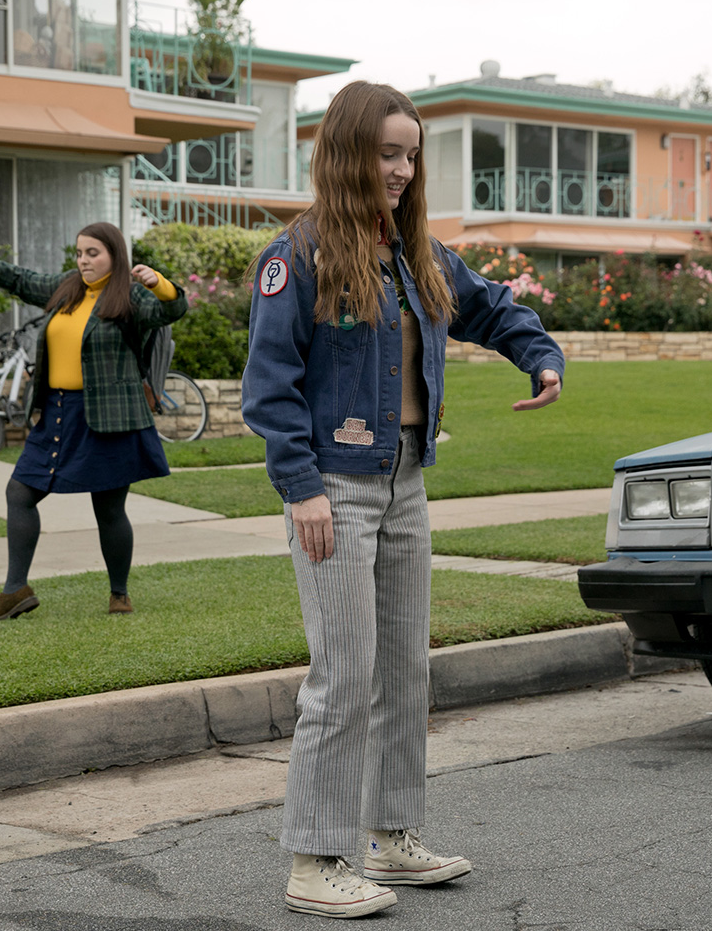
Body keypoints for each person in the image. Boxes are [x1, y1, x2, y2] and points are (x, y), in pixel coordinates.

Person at [241, 81, 564, 919]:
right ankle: (315, 860)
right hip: (335, 494)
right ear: (349, 153)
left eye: (411, 154)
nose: (403, 168)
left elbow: (489, 307)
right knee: (343, 676)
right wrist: (301, 490)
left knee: (402, 671)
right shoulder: (299, 255)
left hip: (406, 481)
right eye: (388, 153)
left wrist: (539, 355)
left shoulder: (415, 252)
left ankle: (391, 838)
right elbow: (269, 389)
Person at [0, 222, 186, 620]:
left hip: (109, 416)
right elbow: (20, 279)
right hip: (58, 412)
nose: (84, 260)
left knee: (108, 509)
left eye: (93, 253)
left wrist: (160, 283)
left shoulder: (130, 295)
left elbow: (171, 310)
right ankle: (15, 590)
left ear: (114, 255)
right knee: (20, 492)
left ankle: (119, 593)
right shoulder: (68, 288)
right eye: (79, 253)